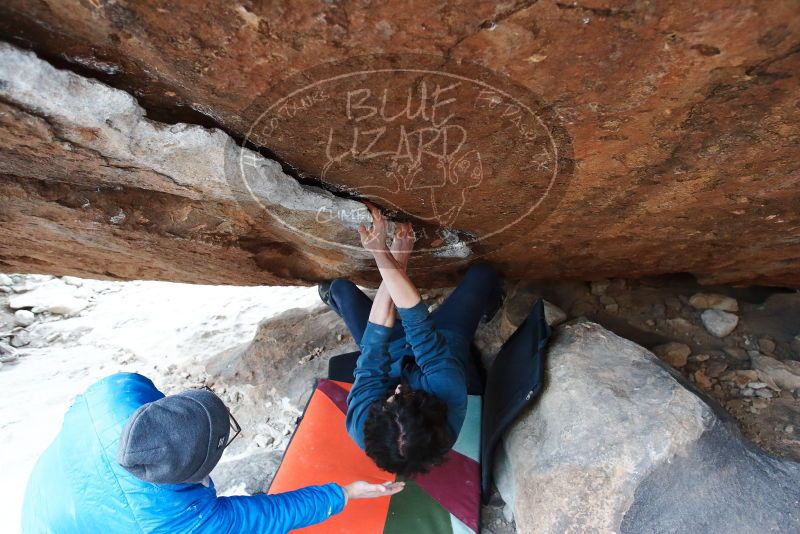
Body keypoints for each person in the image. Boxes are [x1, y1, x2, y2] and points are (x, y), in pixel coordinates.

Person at [21, 372, 403, 533]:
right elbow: (264, 517)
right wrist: (345, 493)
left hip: (45, 495)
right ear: (191, 476)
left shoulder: (117, 392)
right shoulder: (178, 522)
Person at [319, 204, 503, 476]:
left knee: (341, 290)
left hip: (390, 349)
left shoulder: (361, 424)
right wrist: (390, 256)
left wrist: (391, 256)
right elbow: (419, 325)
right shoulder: (449, 394)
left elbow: (374, 344)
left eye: (387, 401)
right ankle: (490, 305)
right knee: (483, 275)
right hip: (444, 339)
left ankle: (332, 297)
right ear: (430, 408)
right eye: (401, 396)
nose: (394, 392)